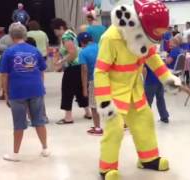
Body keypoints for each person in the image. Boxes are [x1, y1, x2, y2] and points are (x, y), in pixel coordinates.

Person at [94, 1, 181, 179]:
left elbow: (152, 58)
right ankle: (107, 168)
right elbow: (100, 71)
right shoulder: (111, 38)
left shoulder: (144, 35)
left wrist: (167, 78)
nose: (161, 35)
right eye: (159, 32)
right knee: (115, 129)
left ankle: (148, 159)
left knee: (145, 121)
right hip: (113, 94)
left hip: (135, 90)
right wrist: (104, 101)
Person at [0, 22, 49, 162]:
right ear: (25, 34)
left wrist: (6, 93)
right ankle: (45, 148)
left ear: (11, 36)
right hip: (36, 89)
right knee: (39, 120)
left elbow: (4, 75)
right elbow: (41, 70)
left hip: (17, 91)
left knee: (18, 123)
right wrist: (40, 86)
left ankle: (15, 153)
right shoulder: (35, 50)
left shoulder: (8, 52)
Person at [50, 18, 91, 125]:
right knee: (80, 89)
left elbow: (72, 53)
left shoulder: (66, 36)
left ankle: (68, 117)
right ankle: (88, 112)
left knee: (67, 90)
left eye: (55, 30)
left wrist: (61, 62)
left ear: (60, 28)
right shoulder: (71, 33)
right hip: (79, 66)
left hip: (72, 67)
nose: (55, 33)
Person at [77, 32, 103, 136]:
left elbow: (84, 69)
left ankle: (97, 128)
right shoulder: (101, 46)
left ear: (82, 43)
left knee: (94, 105)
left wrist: (84, 87)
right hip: (108, 78)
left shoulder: (83, 52)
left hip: (94, 80)